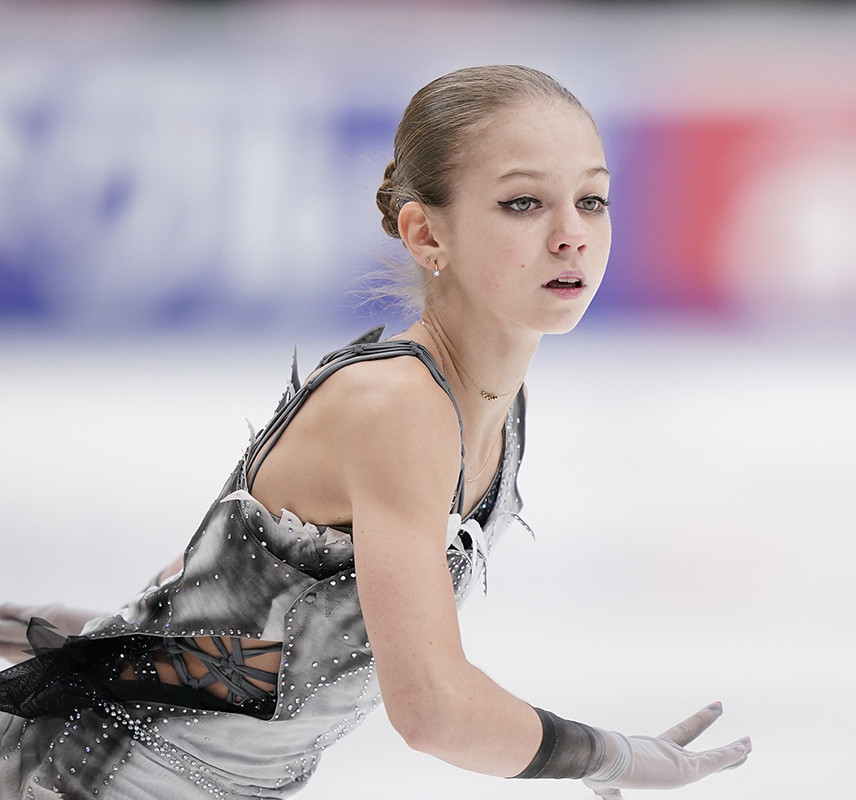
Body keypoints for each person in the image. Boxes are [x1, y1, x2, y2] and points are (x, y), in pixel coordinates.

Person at [0, 65, 750, 798]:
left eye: (593, 200)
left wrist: (103, 641)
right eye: (523, 203)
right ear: (427, 234)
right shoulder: (396, 405)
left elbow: (223, 600)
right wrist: (607, 755)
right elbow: (432, 710)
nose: (571, 235)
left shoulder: (494, 409)